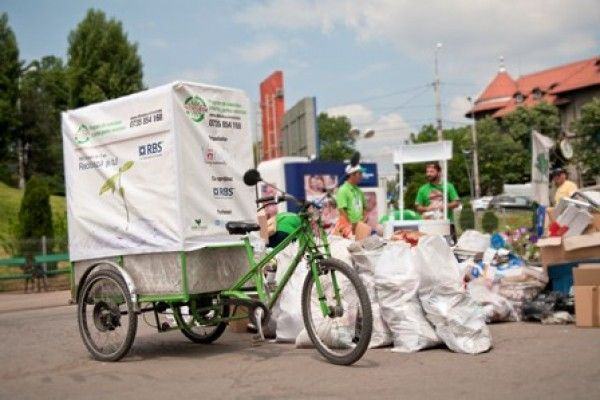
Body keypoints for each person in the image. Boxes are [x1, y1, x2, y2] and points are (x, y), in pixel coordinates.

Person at [335, 164, 366, 236]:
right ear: (352, 175)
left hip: (359, 228)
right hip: (348, 230)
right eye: (360, 173)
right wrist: (351, 225)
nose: (362, 176)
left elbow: (364, 208)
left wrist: (362, 223)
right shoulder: (343, 190)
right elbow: (342, 210)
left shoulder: (359, 191)